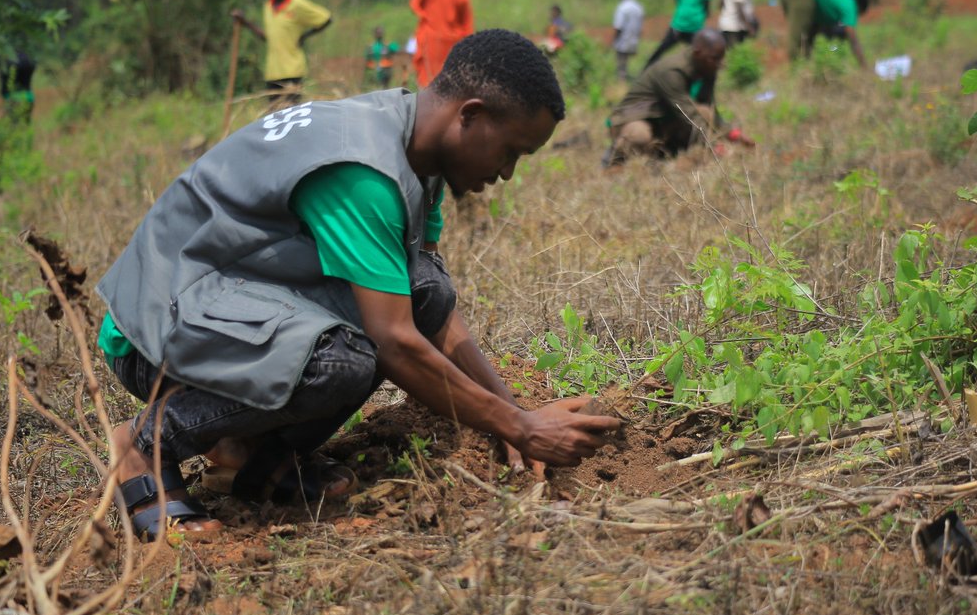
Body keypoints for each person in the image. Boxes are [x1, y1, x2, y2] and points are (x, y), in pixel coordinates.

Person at [95, 29, 621, 540]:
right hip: (156, 332)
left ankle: (248, 453)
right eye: (510, 151)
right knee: (340, 362)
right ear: (471, 115)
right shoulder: (363, 171)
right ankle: (144, 446)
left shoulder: (418, 150)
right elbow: (396, 342)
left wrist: (512, 413)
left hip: (227, 309)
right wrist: (518, 427)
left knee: (425, 289)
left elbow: (429, 307)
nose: (507, 173)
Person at [604, 28, 727, 167]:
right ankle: (615, 160)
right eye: (715, 58)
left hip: (660, 119)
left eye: (721, 58)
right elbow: (688, 113)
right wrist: (712, 144)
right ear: (698, 53)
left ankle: (662, 155)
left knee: (705, 113)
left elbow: (710, 106)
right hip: (633, 118)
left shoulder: (706, 65)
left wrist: (731, 133)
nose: (719, 63)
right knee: (639, 135)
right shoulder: (672, 71)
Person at [232, 0, 332, 107]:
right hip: (272, 72)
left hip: (292, 71)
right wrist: (245, 22)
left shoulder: (297, 3)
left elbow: (326, 18)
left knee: (291, 112)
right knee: (274, 114)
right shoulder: (268, 6)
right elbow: (268, 37)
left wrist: (304, 36)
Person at [781, 0, 868, 68]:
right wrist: (864, 65)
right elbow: (853, 40)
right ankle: (794, 73)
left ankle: (804, 71)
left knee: (806, 43)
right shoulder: (851, 4)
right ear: (860, 6)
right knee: (797, 41)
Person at [409, 0, 474, 88]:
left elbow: (416, 5)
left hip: (430, 45)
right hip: (455, 48)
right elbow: (467, 24)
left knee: (428, 86)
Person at [644, 0, 712, 68]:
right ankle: (646, 69)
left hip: (687, 24)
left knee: (662, 49)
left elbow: (678, 1)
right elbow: (706, 6)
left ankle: (646, 70)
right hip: (685, 24)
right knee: (698, 55)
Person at [612, 0, 645, 81]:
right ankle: (627, 77)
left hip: (623, 38)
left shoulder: (622, 7)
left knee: (621, 60)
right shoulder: (638, 6)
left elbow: (618, 26)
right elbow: (641, 24)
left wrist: (614, 39)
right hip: (634, 38)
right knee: (626, 59)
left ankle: (621, 80)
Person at [0, 51, 36, 125]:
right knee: (25, 125)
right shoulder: (28, 59)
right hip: (28, 97)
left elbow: (3, 84)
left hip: (12, 98)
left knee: (14, 125)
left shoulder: (7, 62)